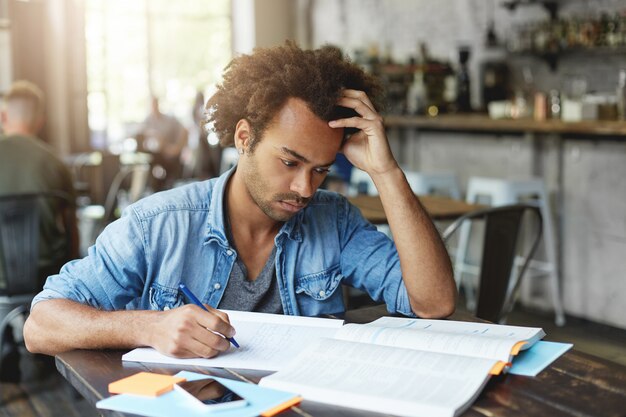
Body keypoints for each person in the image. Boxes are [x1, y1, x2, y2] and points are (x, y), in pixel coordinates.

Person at [24, 42, 456, 360]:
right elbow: (40, 325)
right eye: (289, 162)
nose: (306, 189)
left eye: (321, 169)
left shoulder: (334, 220)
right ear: (244, 137)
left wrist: (386, 172)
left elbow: (432, 304)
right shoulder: (158, 224)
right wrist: (150, 325)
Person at [0, 80, 78, 382]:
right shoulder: (56, 163)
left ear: (4, 117)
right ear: (40, 121)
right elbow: (70, 229)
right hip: (44, 275)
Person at [138, 96, 188, 189]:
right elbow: (140, 133)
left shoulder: (169, 119)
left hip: (170, 154)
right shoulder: (147, 121)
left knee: (171, 175)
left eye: (155, 104)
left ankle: (168, 184)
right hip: (155, 155)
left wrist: (177, 148)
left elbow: (185, 130)